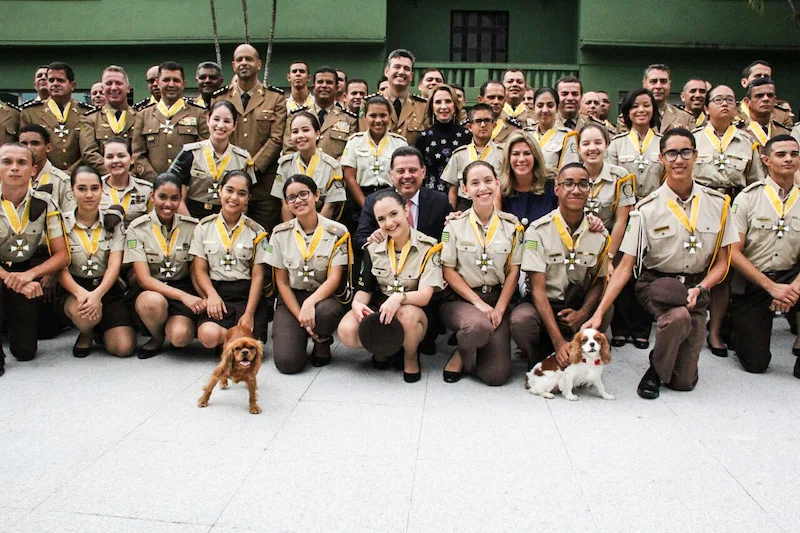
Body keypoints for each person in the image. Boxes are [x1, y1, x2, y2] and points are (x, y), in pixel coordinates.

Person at [583, 128, 739, 399]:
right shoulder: (646, 209)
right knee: (677, 314)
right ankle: (655, 372)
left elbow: (724, 262)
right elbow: (624, 267)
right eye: (671, 153)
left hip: (697, 289)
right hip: (656, 284)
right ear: (661, 158)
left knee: (683, 382)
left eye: (685, 152)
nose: (679, 160)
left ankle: (667, 359)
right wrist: (599, 313)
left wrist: (701, 288)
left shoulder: (719, 204)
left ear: (696, 156)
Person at [337, 189, 443, 382]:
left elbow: (425, 295)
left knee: (407, 315)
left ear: (406, 211)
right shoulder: (372, 248)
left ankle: (410, 356)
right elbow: (364, 289)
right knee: (346, 330)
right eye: (382, 219)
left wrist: (398, 298)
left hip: (413, 308)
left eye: (394, 214)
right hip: (381, 307)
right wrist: (357, 304)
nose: (389, 223)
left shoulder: (429, 247)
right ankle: (382, 348)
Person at [511, 163, 611, 369]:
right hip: (545, 304)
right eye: (569, 184)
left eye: (583, 184)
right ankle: (541, 354)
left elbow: (599, 281)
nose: (576, 190)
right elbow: (537, 290)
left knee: (607, 308)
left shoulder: (600, 234)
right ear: (557, 189)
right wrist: (558, 342)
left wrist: (583, 313)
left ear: (589, 190)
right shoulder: (537, 231)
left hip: (577, 303)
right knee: (521, 321)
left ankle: (580, 353)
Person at [439, 161, 523, 385]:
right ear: (465, 189)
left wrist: (500, 309)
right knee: (477, 326)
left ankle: (478, 347)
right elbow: (447, 270)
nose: (482, 188)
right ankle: (462, 353)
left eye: (488, 181)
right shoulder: (454, 226)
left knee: (495, 376)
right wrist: (478, 303)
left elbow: (514, 271)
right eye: (474, 183)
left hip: (497, 299)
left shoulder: (512, 226)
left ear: (497, 183)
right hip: (462, 299)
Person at [728, 135, 800, 376]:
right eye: (781, 154)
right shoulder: (748, 198)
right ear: (766, 160)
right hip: (755, 281)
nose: (789, 159)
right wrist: (772, 288)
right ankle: (738, 330)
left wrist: (792, 289)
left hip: (792, 276)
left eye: (794, 154)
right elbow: (733, 253)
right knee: (756, 364)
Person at [266, 175, 352, 373]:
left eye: (304, 194)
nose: (298, 200)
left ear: (316, 195)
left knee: (325, 313)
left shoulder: (337, 232)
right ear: (286, 203)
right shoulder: (279, 234)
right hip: (291, 298)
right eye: (292, 197)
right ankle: (303, 332)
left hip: (323, 298)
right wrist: (300, 315)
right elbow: (282, 283)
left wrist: (310, 302)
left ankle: (322, 341)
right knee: (288, 365)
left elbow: (334, 278)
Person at [0, 143, 69, 375]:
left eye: (22, 163)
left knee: (25, 351)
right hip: (3, 272)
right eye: (7, 162)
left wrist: (30, 276)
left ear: (33, 170)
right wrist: (12, 279)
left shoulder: (45, 201)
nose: (14, 168)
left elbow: (62, 255)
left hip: (24, 272)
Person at [577, 123, 644, 349]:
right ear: (578, 148)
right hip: (578, 246)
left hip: (610, 245)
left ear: (607, 145)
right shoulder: (573, 174)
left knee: (612, 279)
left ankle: (604, 330)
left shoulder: (620, 176)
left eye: (598, 142)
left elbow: (622, 220)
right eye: (586, 144)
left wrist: (609, 257)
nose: (592, 148)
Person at [59, 165, 136, 358]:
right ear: (72, 190)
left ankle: (103, 327)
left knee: (123, 348)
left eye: (94, 188)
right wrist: (83, 294)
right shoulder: (61, 223)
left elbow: (114, 265)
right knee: (83, 313)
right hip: (76, 289)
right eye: (82, 188)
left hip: (107, 288)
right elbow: (60, 267)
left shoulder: (112, 223)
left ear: (102, 190)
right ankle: (87, 332)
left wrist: (97, 295)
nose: (89, 195)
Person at [124, 173, 203, 358]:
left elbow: (194, 270)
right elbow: (143, 279)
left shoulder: (191, 227)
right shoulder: (137, 229)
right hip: (152, 288)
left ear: (181, 200)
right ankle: (157, 337)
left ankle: (171, 328)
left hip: (181, 284)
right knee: (152, 303)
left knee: (180, 337)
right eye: (162, 197)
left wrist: (201, 296)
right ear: (152, 196)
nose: (168, 204)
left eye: (174, 198)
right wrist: (184, 297)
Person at [189, 170, 271, 349]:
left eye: (242, 193)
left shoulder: (257, 232)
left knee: (246, 334)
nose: (234, 197)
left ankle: (230, 344)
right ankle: (234, 342)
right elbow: (200, 270)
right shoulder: (203, 227)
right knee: (208, 336)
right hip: (218, 293)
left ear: (248, 197)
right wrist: (211, 296)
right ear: (220, 191)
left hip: (246, 295)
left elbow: (258, 276)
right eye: (229, 190)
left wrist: (249, 313)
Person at [211, 43, 287, 233]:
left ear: (259, 64)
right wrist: (234, 173)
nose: (244, 63)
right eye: (239, 60)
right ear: (233, 65)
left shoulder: (275, 98)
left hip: (263, 187)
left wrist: (251, 171)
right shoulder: (220, 99)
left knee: (263, 239)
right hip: (228, 185)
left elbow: (276, 139)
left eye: (249, 59)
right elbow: (215, 137)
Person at [167, 101, 255, 220]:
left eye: (227, 121)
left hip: (227, 220)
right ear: (208, 120)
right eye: (216, 119)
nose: (220, 125)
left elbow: (244, 202)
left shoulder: (243, 159)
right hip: (192, 216)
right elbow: (177, 196)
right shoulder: (190, 152)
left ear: (234, 125)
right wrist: (191, 224)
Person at [354, 146, 451, 249]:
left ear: (423, 172)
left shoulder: (440, 201)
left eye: (412, 170)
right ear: (391, 175)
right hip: (388, 262)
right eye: (401, 171)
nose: (407, 176)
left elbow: (448, 238)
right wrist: (372, 239)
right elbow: (359, 241)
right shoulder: (374, 201)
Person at [131, 61, 209, 182]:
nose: (171, 84)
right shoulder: (143, 115)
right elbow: (138, 155)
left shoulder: (200, 115)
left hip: (188, 189)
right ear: (157, 83)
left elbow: (205, 153)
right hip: (153, 188)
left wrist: (184, 183)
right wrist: (157, 181)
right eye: (166, 80)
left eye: (176, 80)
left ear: (184, 84)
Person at [341, 96, 407, 231]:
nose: (378, 120)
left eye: (383, 115)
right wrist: (366, 205)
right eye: (373, 115)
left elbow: (403, 176)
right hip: (361, 199)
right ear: (365, 117)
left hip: (391, 198)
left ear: (390, 117)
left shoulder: (400, 143)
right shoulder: (354, 142)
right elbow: (349, 177)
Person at [20, 62, 92, 174]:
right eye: (51, 80)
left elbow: (89, 149)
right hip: (42, 175)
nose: (55, 84)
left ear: (72, 85)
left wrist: (71, 171)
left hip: (77, 175)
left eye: (60, 80)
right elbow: (25, 148)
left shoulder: (86, 113)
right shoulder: (30, 112)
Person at [272, 112, 345, 221]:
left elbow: (330, 206)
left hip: (322, 227)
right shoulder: (285, 165)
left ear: (317, 133)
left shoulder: (332, 166)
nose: (300, 135)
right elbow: (285, 204)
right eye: (295, 132)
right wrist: (292, 233)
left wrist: (315, 233)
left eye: (305, 130)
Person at [282, 66, 358, 160]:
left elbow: (349, 153)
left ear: (337, 88)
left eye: (329, 82)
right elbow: (289, 150)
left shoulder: (349, 120)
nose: (324, 85)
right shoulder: (295, 116)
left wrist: (330, 169)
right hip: (301, 172)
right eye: (320, 82)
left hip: (335, 172)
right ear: (313, 87)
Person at [441, 103, 504, 211]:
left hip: (494, 204)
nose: (483, 125)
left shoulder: (503, 153)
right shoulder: (459, 155)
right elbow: (453, 190)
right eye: (478, 121)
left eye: (487, 121)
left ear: (494, 125)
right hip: (465, 206)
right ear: (470, 126)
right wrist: (452, 214)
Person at [608, 88, 664, 199]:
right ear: (627, 112)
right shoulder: (616, 144)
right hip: (625, 206)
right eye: (635, 106)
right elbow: (611, 179)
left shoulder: (663, 143)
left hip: (658, 205)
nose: (641, 110)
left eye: (646, 105)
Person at [414, 84, 470, 193]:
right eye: (438, 102)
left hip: (461, 197)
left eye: (448, 101)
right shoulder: (423, 137)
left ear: (455, 105)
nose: (443, 106)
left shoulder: (467, 136)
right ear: (431, 106)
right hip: (431, 196)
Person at [80, 65, 135, 174]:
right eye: (109, 83)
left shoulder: (140, 117)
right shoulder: (90, 119)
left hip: (134, 180)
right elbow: (89, 153)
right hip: (102, 183)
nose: (114, 88)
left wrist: (130, 175)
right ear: (103, 88)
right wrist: (114, 173)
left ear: (128, 88)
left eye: (118, 83)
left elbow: (142, 154)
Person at [495, 130, 556, 229]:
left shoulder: (552, 183)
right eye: (516, 154)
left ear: (535, 157)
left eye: (527, 153)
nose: (522, 159)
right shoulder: (501, 188)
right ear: (508, 158)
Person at [367, 49, 427, 146]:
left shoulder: (423, 106)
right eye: (397, 67)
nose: (401, 72)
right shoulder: (368, 104)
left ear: (411, 76)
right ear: (387, 71)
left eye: (406, 68)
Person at [18, 124, 75, 212]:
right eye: (24, 144)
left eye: (35, 143)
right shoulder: (13, 178)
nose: (29, 148)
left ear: (48, 148)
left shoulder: (62, 181)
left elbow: (70, 217)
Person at [100, 137, 153, 227]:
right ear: (104, 161)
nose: (115, 161)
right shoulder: (95, 188)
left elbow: (152, 224)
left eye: (121, 156)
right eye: (109, 157)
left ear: (132, 159)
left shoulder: (146, 190)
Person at [527, 87, 579, 173]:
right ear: (534, 107)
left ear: (557, 108)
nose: (545, 110)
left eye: (550, 105)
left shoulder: (567, 136)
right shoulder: (526, 134)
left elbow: (570, 172)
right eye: (540, 105)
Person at [738, 60, 794, 128]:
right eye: (758, 76)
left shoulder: (782, 116)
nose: (762, 79)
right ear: (744, 82)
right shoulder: (731, 113)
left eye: (766, 76)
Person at [640, 64, 693, 133]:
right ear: (644, 84)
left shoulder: (685, 118)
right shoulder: (631, 117)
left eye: (663, 81)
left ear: (669, 84)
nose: (658, 86)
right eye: (653, 81)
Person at [740, 78, 791, 148]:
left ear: (774, 100)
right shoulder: (738, 132)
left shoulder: (786, 134)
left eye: (770, 95)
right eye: (759, 96)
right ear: (747, 102)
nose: (766, 99)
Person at [477, 80, 520, 145]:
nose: (496, 102)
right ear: (480, 100)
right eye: (491, 97)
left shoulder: (514, 130)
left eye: (500, 98)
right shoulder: (467, 128)